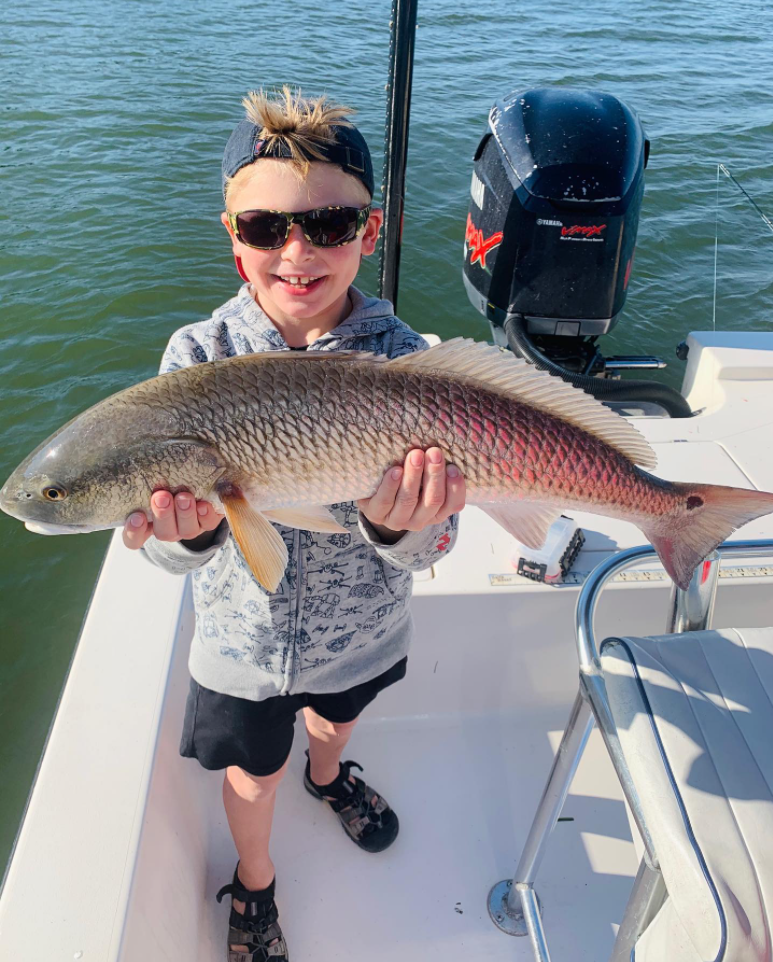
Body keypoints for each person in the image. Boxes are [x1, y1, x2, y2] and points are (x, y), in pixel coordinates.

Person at [122, 87, 465, 962]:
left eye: (331, 225)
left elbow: (436, 545)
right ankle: (258, 879)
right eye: (267, 229)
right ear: (233, 239)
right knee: (251, 771)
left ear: (372, 231)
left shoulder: (416, 366)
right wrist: (188, 532)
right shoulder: (193, 361)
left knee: (334, 724)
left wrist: (403, 530)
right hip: (241, 646)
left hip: (364, 632)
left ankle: (331, 775)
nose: (298, 252)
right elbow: (173, 557)